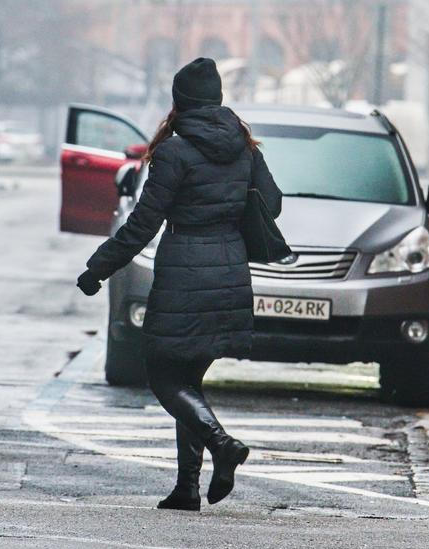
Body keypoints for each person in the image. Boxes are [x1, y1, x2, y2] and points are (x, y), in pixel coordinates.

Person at [75, 57, 284, 511]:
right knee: (189, 377)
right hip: (229, 271)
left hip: (184, 273)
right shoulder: (244, 147)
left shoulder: (174, 151)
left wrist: (97, 269)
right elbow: (273, 203)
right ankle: (187, 488)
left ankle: (221, 444)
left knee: (163, 371)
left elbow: (142, 224)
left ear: (180, 102)